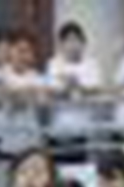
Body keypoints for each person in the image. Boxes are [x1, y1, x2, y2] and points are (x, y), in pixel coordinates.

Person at [45, 22, 104, 158]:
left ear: (83, 43)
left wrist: (78, 86)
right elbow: (50, 91)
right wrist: (66, 88)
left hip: (84, 127)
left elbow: (96, 90)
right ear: (61, 44)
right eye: (68, 41)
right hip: (58, 126)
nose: (73, 45)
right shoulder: (54, 64)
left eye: (76, 40)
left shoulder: (92, 64)